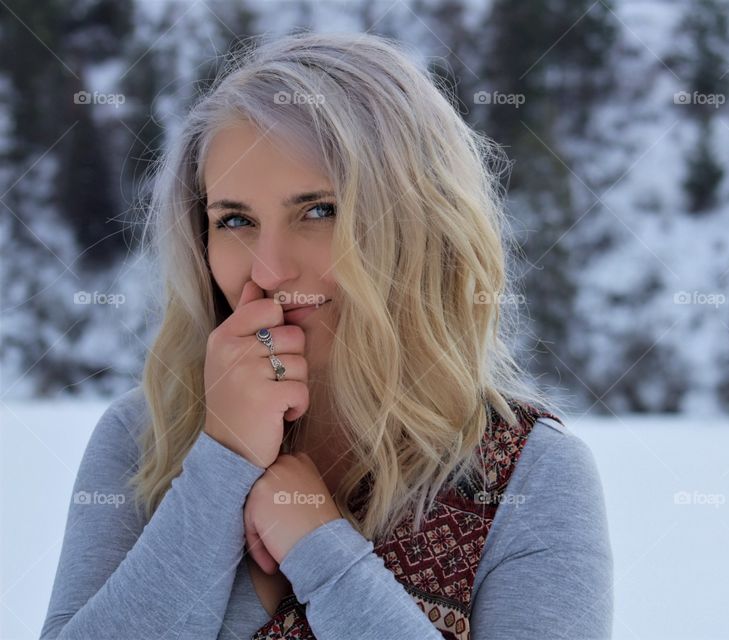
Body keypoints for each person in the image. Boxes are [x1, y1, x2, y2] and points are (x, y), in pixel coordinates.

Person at [40, 31, 613, 640]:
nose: (268, 269)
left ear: (419, 220)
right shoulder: (148, 434)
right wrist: (220, 466)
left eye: (319, 210)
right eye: (234, 220)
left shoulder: (530, 477)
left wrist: (322, 553)